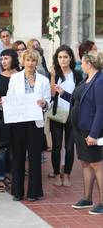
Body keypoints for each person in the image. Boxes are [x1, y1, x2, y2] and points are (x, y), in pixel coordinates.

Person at [6, 49, 51, 201]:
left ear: (37, 62)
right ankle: (17, 192)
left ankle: (34, 192)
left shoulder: (44, 80)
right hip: (18, 122)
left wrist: (45, 103)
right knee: (18, 156)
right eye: (28, 60)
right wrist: (4, 103)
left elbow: (48, 102)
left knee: (34, 158)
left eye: (33, 60)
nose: (30, 63)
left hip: (35, 123)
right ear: (23, 61)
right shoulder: (15, 78)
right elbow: (10, 98)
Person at [69, 51, 103, 215]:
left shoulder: (100, 81)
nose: (80, 64)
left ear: (89, 64)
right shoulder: (87, 79)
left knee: (97, 164)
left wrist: (94, 134)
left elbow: (100, 110)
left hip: (91, 131)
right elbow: (80, 99)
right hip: (80, 130)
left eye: (82, 62)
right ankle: (87, 198)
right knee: (85, 163)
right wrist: (63, 94)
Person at [48, 45, 82, 187]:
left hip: (72, 115)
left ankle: (67, 174)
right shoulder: (54, 74)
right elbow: (50, 95)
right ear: (57, 59)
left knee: (69, 146)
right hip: (57, 114)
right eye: (60, 57)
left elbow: (79, 96)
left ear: (70, 58)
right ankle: (56, 174)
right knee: (56, 145)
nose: (63, 60)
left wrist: (64, 93)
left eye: (65, 57)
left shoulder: (77, 75)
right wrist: (52, 76)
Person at [0, 49, 19, 192]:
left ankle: (10, 173)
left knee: (14, 149)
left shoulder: (20, 76)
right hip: (2, 117)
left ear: (13, 59)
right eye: (2, 59)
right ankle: (0, 177)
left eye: (6, 58)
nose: (3, 61)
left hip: (17, 118)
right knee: (1, 148)